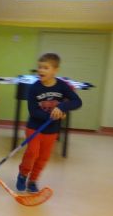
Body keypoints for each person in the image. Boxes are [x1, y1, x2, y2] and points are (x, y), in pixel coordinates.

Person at [17, 53, 82, 192]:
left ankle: (33, 181)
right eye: (40, 67)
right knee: (32, 153)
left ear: (55, 70)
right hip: (34, 127)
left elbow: (77, 102)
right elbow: (33, 112)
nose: (41, 70)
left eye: (46, 68)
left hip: (51, 130)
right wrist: (53, 115)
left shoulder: (62, 86)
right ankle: (23, 174)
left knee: (43, 157)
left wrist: (62, 107)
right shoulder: (34, 88)